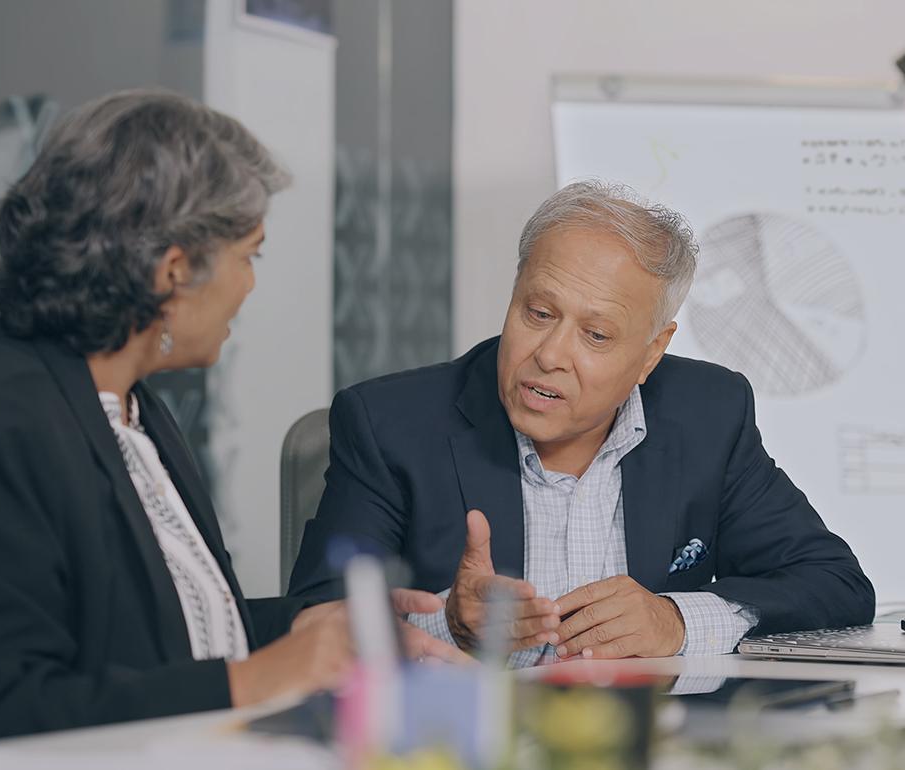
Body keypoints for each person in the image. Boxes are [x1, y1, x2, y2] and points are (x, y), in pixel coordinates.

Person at [0, 89, 460, 749]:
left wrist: (312, 626)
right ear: (173, 271)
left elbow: (159, 640)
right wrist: (256, 680)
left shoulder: (133, 412)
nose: (251, 284)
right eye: (249, 255)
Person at [289, 181, 875, 665]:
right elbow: (308, 624)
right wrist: (449, 626)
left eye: (595, 335)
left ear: (651, 353)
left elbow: (834, 583)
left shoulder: (708, 414)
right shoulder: (391, 424)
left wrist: (674, 619)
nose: (549, 354)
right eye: (538, 313)